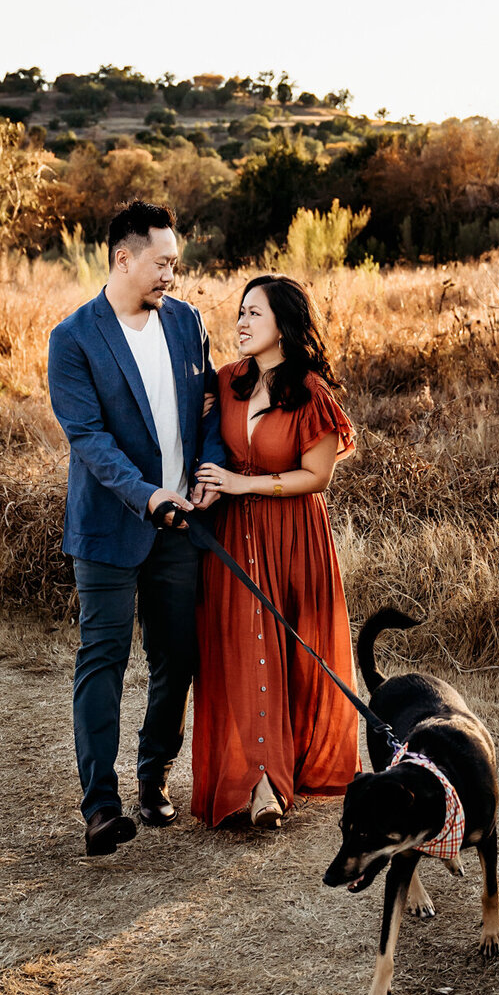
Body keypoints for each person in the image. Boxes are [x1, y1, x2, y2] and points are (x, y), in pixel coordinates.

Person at [47, 200, 224, 856]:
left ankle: (154, 780)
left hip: (181, 525)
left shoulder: (186, 322)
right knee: (103, 661)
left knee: (177, 659)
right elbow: (88, 439)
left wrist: (210, 468)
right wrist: (145, 495)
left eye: (175, 265)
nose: (171, 277)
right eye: (162, 264)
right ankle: (100, 808)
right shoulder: (72, 339)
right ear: (124, 258)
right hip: (108, 531)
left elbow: (208, 409)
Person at [191, 273, 360, 828]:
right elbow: (204, 439)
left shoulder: (313, 395)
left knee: (291, 656)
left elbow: (317, 477)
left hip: (293, 539)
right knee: (243, 651)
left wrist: (244, 485)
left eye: (254, 314)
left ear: (283, 326)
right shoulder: (227, 379)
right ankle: (259, 782)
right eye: (239, 312)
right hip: (234, 540)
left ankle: (292, 767)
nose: (240, 322)